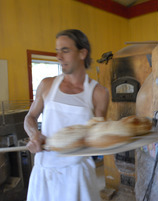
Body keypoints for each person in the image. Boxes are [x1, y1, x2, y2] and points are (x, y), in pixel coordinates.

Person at [24, 29, 109, 201]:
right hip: (44, 172)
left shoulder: (98, 93)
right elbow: (30, 117)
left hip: (77, 176)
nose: (59, 56)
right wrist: (35, 135)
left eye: (65, 50)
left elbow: (99, 138)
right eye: (57, 51)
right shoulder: (47, 85)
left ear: (82, 53)